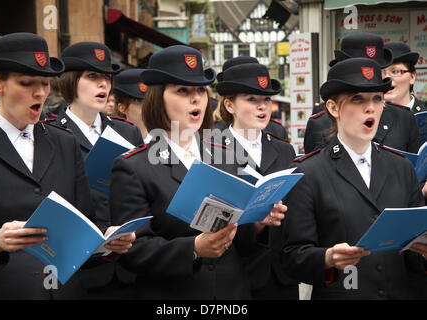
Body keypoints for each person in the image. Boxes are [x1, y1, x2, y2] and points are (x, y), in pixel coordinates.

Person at [0, 32, 134, 299]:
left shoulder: (64, 143)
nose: (39, 93)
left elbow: (82, 231)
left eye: (45, 83)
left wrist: (106, 243)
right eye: (27, 83)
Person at [109, 45, 267, 299]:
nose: (196, 99)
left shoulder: (224, 155)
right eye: (183, 90)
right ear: (158, 97)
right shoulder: (132, 166)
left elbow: (242, 243)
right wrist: (193, 248)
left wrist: (258, 223)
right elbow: (133, 250)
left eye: (200, 90)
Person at [281, 57, 427, 299]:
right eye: (357, 99)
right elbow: (292, 256)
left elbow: (412, 249)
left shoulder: (402, 168)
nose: (370, 108)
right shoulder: (309, 173)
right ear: (333, 108)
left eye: (377, 99)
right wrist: (327, 257)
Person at [53, 41, 143, 299]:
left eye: (106, 77)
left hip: (129, 265)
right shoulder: (52, 133)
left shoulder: (127, 131)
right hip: (81, 270)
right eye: (92, 76)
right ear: (70, 81)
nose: (103, 84)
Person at [214, 59, 299, 299]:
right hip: (234, 274)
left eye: (266, 100)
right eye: (252, 100)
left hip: (281, 275)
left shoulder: (284, 149)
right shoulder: (210, 150)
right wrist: (257, 224)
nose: (263, 107)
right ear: (230, 105)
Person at [304, 33, 421, 154]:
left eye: (376, 68)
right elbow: (315, 168)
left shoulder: (403, 119)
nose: (368, 75)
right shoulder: (320, 123)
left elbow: (414, 168)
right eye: (356, 98)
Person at [383, 41, 426, 114]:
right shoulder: (369, 117)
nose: (386, 77)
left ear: (412, 77)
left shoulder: (424, 113)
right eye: (380, 73)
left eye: (395, 71)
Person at [112, 68, 150, 142]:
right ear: (122, 108)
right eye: (138, 100)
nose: (147, 106)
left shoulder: (167, 141)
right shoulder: (112, 141)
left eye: (150, 100)